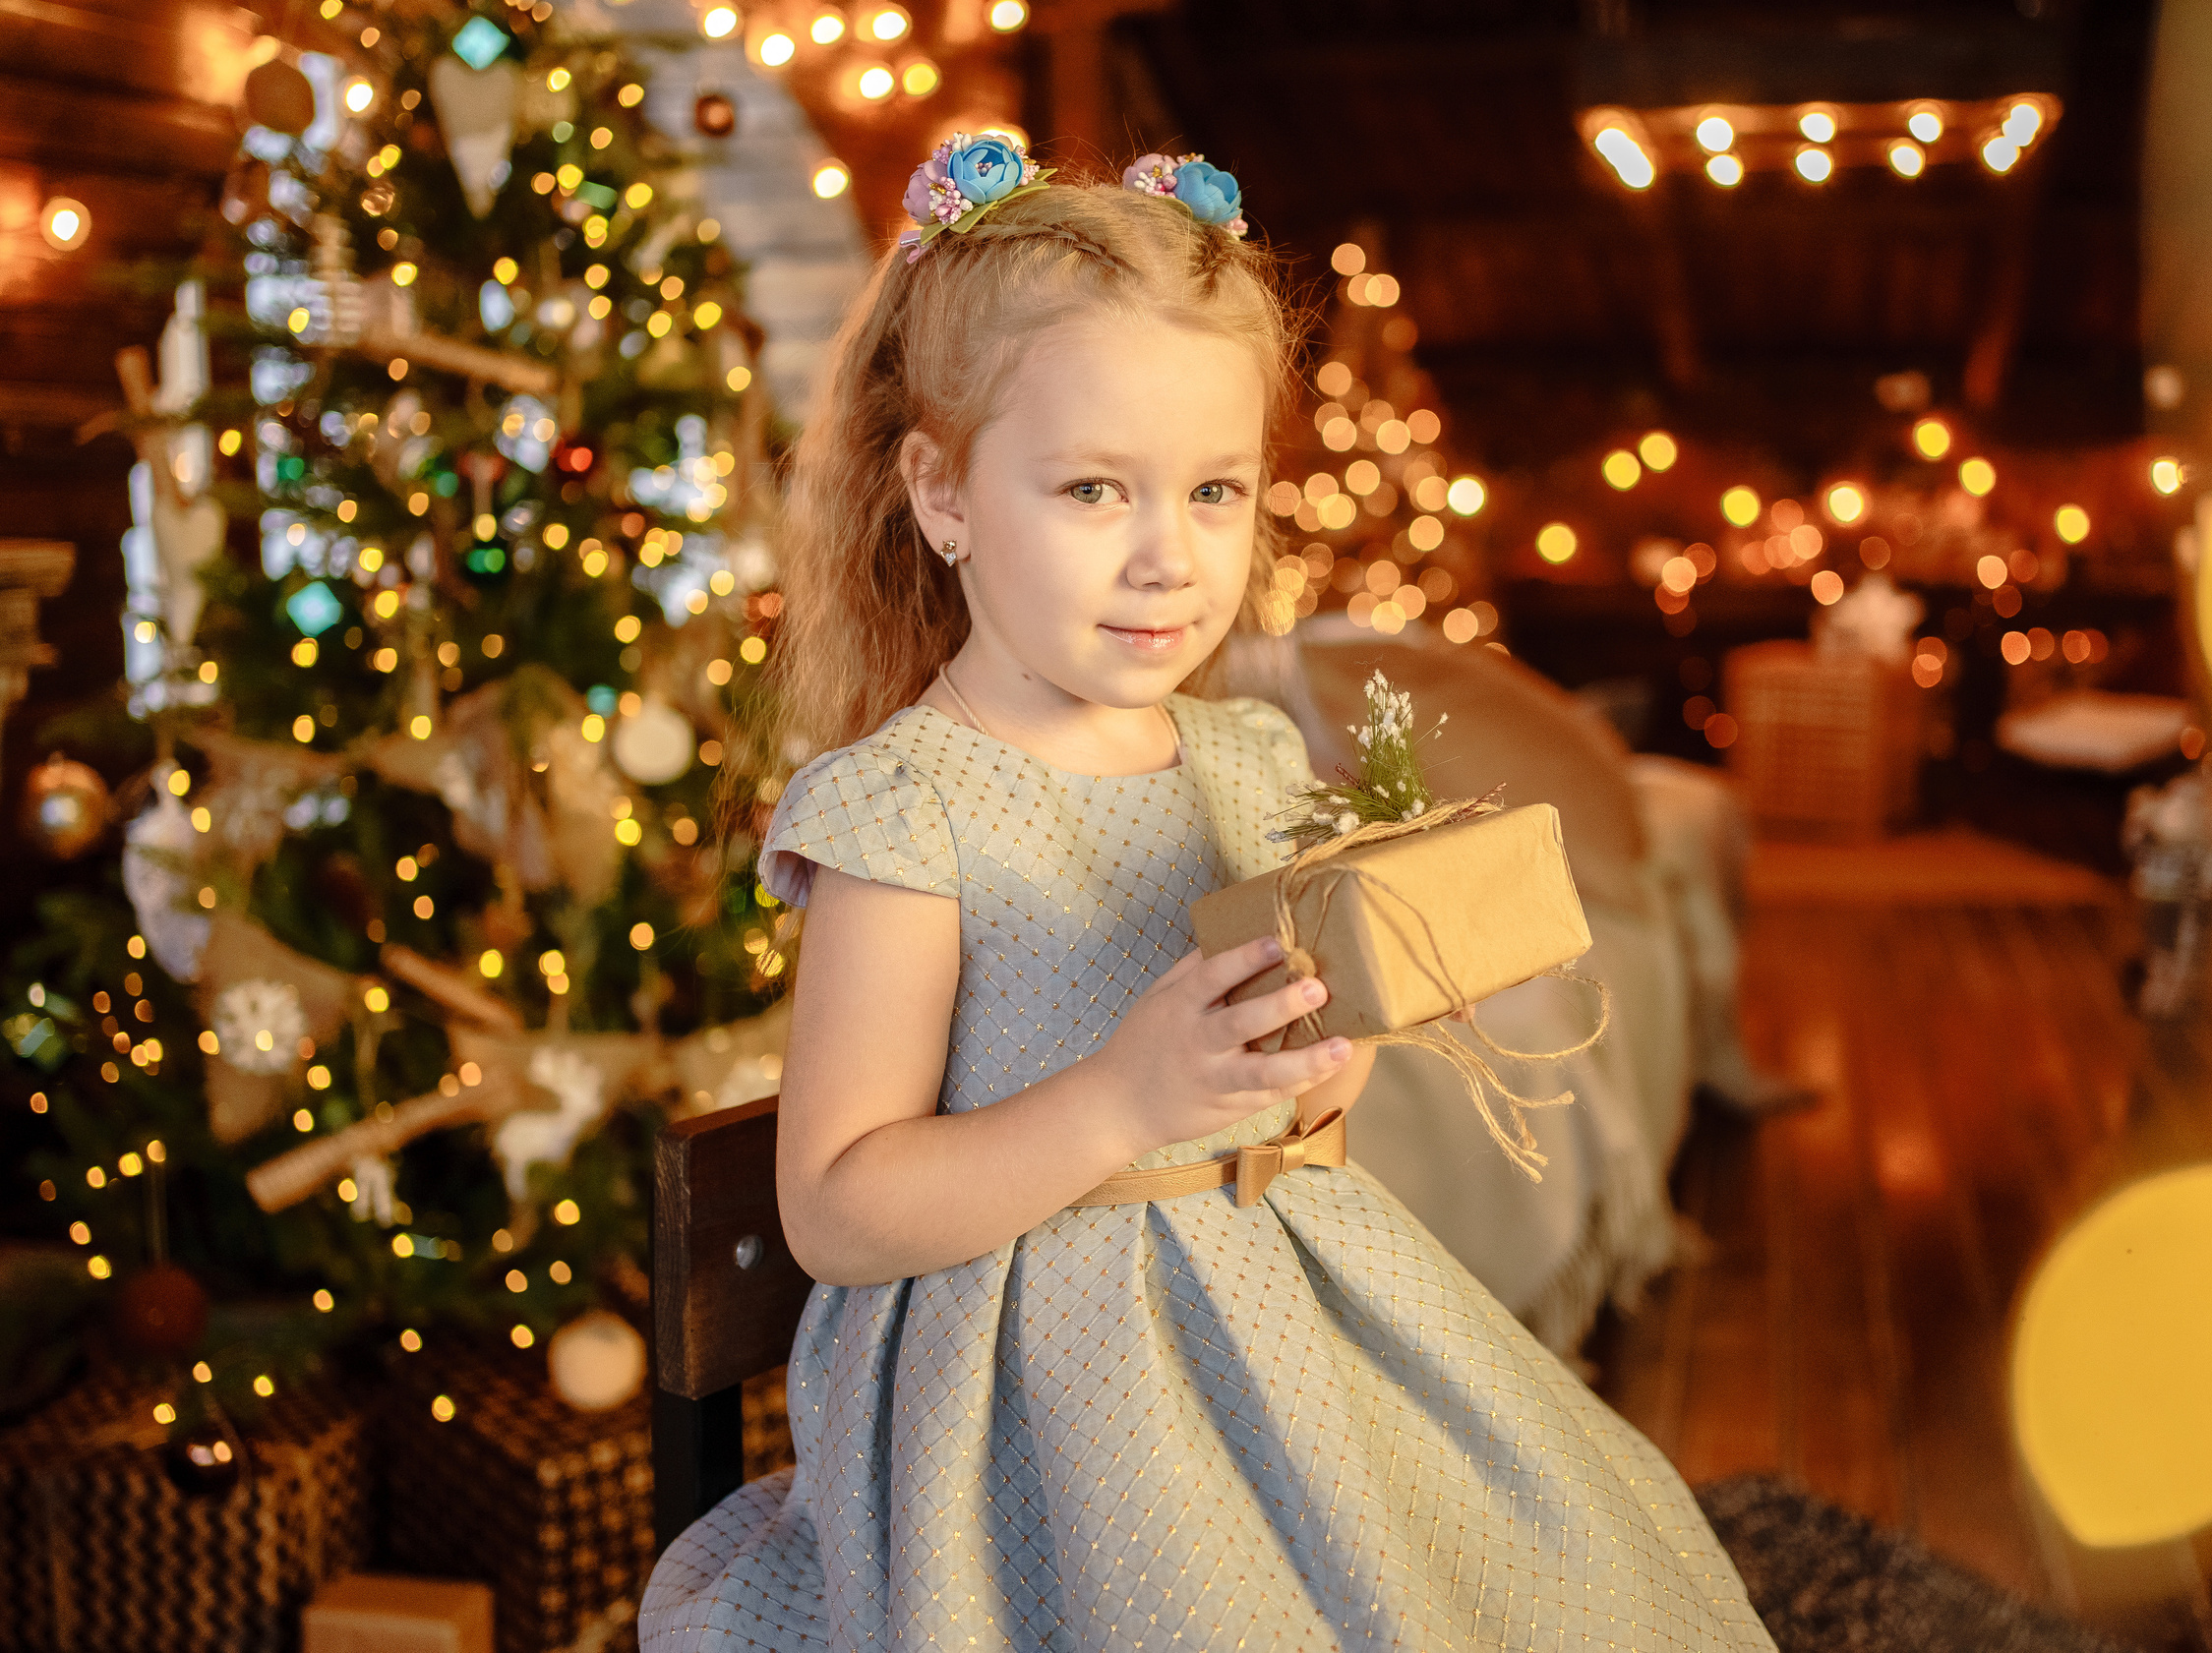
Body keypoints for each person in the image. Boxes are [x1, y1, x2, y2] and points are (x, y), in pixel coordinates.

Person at [641, 140, 1774, 1653]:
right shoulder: (909, 809)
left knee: (1561, 1555)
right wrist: (1126, 1096)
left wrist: (1331, 1035)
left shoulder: (1242, 756)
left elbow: (1300, 1120)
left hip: (1272, 1322)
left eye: (1217, 490)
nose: (1170, 558)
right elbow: (836, 1210)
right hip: (1033, 1409)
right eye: (1095, 489)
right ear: (945, 492)